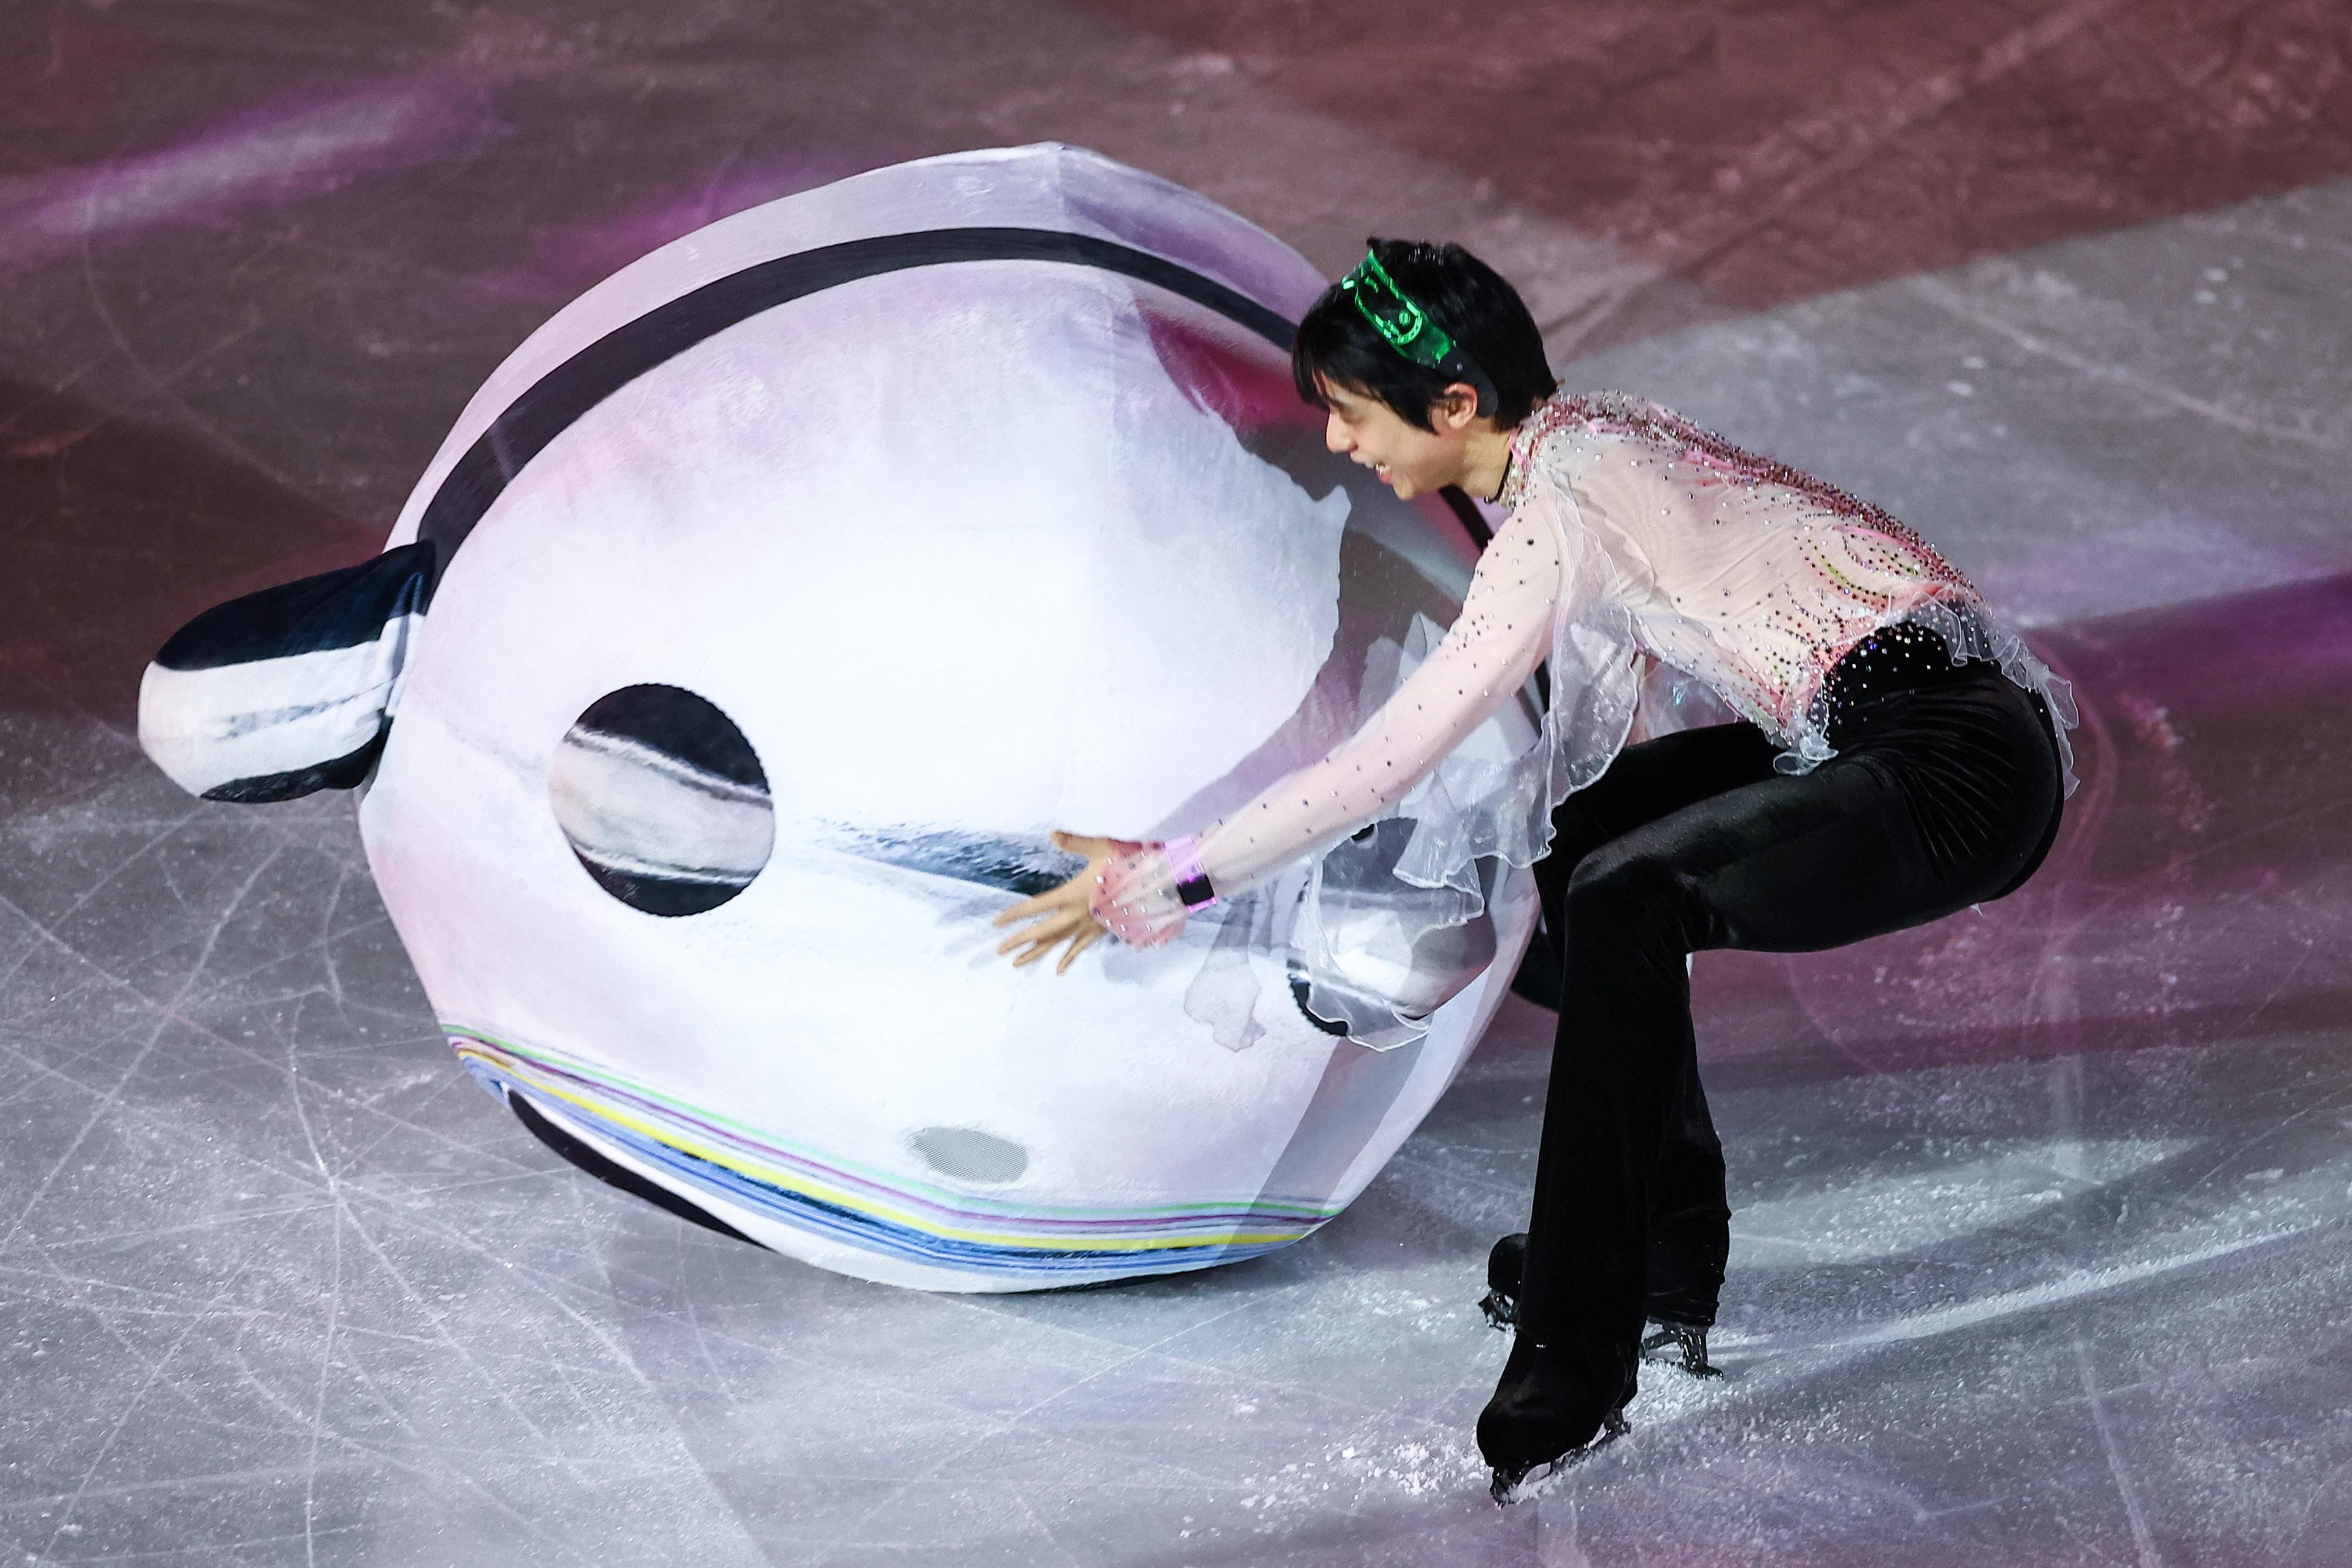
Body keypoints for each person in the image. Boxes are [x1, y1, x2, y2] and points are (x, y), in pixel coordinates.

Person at [994, 239, 2075, 1502]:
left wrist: (1171, 878)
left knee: (1624, 893)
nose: (1339, 444)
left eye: (1351, 415)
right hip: (1896, 734)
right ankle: (1663, 1256)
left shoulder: (1560, 508)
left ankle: (1571, 1360)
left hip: (1953, 771)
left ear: (1454, 405)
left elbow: (1383, 762)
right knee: (1580, 856)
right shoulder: (1590, 440)